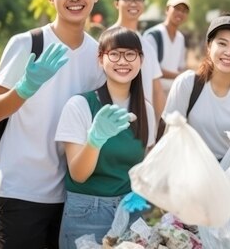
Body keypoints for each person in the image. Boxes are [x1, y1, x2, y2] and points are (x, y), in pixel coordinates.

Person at [0, 0, 106, 248]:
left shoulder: (99, 55)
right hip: (20, 190)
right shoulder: (27, 43)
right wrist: (26, 87)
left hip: (71, 193)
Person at [55, 27, 156, 248]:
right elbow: (79, 175)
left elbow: (144, 167)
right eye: (114, 54)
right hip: (86, 213)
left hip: (130, 212)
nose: (123, 61)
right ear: (101, 59)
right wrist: (95, 140)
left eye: (130, 54)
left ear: (141, 59)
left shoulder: (146, 110)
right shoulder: (80, 105)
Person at [163, 14, 230, 175]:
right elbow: (169, 137)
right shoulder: (187, 83)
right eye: (222, 43)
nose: (229, 52)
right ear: (208, 46)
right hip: (189, 175)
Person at [110, 0, 165, 120]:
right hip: (112, 121)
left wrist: (161, 126)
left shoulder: (147, 46)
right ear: (116, 3)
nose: (133, 4)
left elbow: (157, 90)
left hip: (144, 124)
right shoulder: (107, 40)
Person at [144, 0, 190, 94]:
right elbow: (150, 68)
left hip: (173, 92)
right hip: (153, 93)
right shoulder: (153, 35)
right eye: (177, 9)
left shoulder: (180, 38)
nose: (180, 13)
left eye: (184, 11)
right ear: (167, 10)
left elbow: (181, 66)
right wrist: (180, 75)